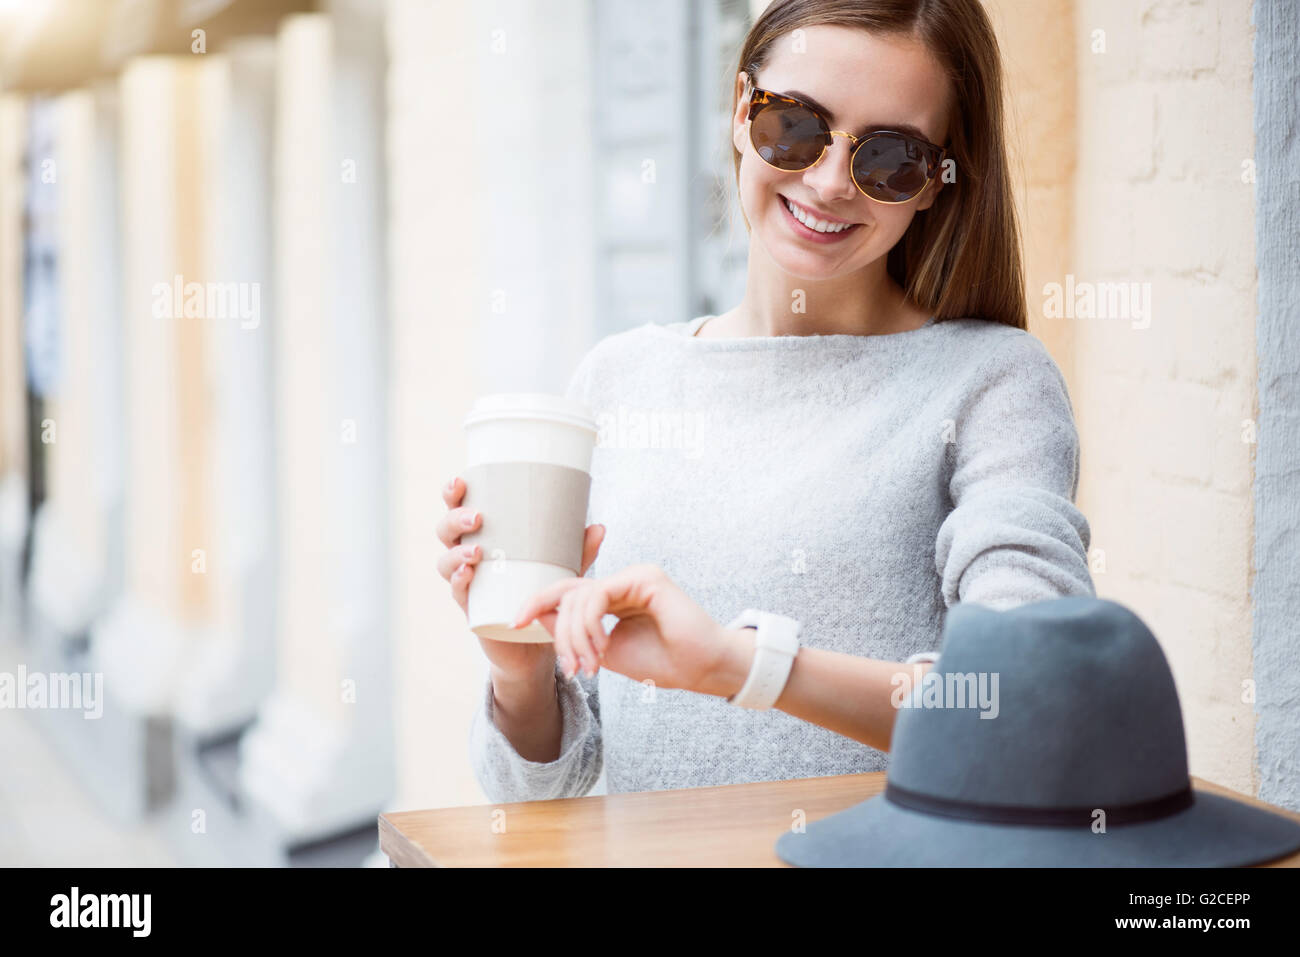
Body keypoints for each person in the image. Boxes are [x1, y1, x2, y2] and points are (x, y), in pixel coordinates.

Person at [437, 0, 1095, 802]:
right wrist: (523, 669)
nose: (826, 181)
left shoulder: (993, 382)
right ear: (741, 110)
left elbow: (1033, 704)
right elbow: (548, 794)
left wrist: (739, 663)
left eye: (889, 158)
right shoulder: (617, 381)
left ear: (933, 183)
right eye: (796, 126)